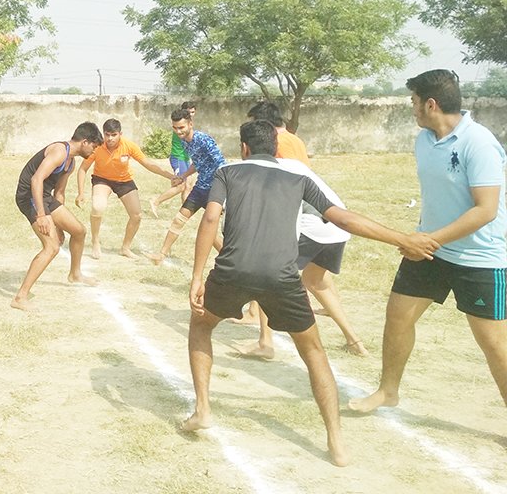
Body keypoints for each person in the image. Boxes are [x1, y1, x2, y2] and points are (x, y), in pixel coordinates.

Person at [183, 120, 438, 467]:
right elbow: (343, 219)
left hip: (232, 271)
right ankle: (336, 442)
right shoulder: (298, 179)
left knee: (201, 325)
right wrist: (402, 238)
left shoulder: (227, 173)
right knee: (314, 352)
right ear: (276, 148)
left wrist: (197, 276)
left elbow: (210, 219)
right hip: (283, 277)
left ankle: (203, 409)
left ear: (244, 148)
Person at [349, 69, 507, 414]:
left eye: (414, 101)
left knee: (494, 343)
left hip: (479, 257)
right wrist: (424, 238)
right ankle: (388, 391)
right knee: (397, 317)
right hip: (430, 250)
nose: (412, 108)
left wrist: (427, 240)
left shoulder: (478, 143)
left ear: (430, 104)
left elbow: (486, 210)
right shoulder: (424, 140)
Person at [238, 101, 366, 356]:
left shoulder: (273, 160)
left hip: (312, 222)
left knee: (266, 273)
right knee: (316, 281)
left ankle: (265, 343)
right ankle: (354, 341)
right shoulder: (293, 148)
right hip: (335, 225)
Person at [12, 122, 104, 311]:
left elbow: (59, 193)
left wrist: (59, 225)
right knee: (52, 246)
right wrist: (42, 215)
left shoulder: (71, 162)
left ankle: (75, 274)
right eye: (94, 147)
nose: (94, 151)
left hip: (45, 196)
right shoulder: (60, 151)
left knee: (79, 231)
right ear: (85, 142)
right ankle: (20, 297)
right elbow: (36, 179)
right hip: (28, 196)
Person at [75, 119, 174, 259]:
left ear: (120, 134)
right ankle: (95, 241)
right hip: (102, 179)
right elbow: (82, 169)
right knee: (98, 207)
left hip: (124, 180)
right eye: (107, 134)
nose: (110, 138)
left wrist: (170, 176)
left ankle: (125, 248)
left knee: (137, 215)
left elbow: (147, 163)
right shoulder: (97, 147)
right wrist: (80, 193)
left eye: (114, 135)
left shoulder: (129, 146)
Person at [147, 108, 226, 263]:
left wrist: (225, 189)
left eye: (181, 127)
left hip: (214, 189)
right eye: (175, 128)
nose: (178, 131)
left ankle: (227, 259)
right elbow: (197, 163)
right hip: (200, 188)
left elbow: (221, 163)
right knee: (179, 219)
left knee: (209, 229)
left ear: (190, 124)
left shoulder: (204, 139)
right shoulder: (184, 142)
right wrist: (182, 176)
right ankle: (161, 255)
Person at [151, 100, 197, 217]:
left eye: (193, 112)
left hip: (186, 158)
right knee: (180, 185)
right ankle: (156, 201)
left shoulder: (188, 125)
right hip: (178, 157)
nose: (191, 114)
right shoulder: (180, 127)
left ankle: (185, 213)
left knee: (188, 186)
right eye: (188, 112)